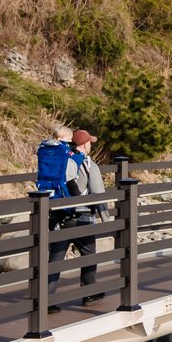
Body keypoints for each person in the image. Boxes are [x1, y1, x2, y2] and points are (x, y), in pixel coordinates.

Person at [39, 127, 109, 306]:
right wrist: (106, 219)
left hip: (57, 214)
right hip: (81, 217)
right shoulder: (86, 163)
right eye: (89, 142)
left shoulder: (60, 158)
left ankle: (46, 300)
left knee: (56, 258)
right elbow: (98, 192)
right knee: (88, 254)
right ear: (85, 144)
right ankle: (89, 293)